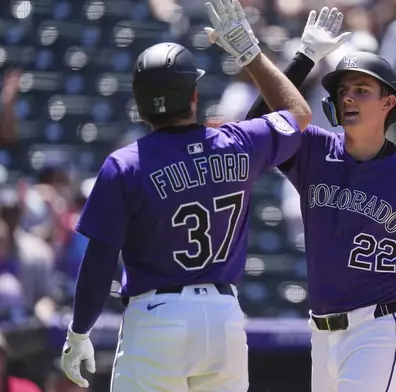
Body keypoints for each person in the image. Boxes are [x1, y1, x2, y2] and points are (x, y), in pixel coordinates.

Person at [59, 0, 312, 390]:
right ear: (194, 96)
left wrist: (79, 332)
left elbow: (99, 262)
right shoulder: (238, 142)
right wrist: (251, 54)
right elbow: (299, 114)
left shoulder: (125, 164)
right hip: (224, 317)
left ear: (140, 104)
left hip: (157, 318)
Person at [245, 9, 396, 391]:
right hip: (322, 332)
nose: (348, 98)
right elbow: (258, 128)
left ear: (387, 103)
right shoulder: (314, 150)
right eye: (342, 91)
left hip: (380, 330)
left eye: (362, 90)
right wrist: (304, 56)